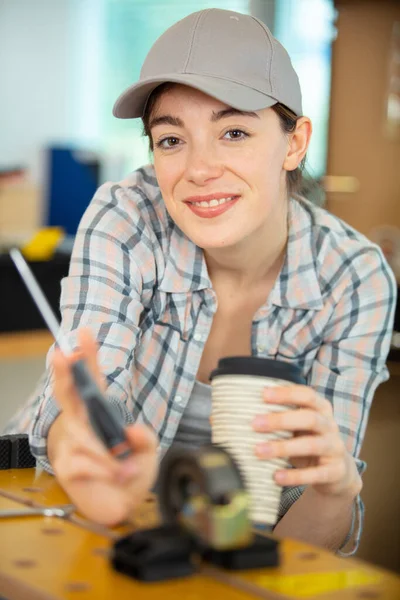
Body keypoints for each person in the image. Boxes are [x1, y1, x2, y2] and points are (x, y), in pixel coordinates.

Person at [4, 8, 396, 555]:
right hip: (53, 506)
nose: (199, 168)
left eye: (233, 131)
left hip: (231, 548)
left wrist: (334, 490)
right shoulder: (127, 218)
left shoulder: (354, 278)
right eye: (171, 140)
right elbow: (81, 411)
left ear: (295, 143)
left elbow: (307, 545)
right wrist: (86, 449)